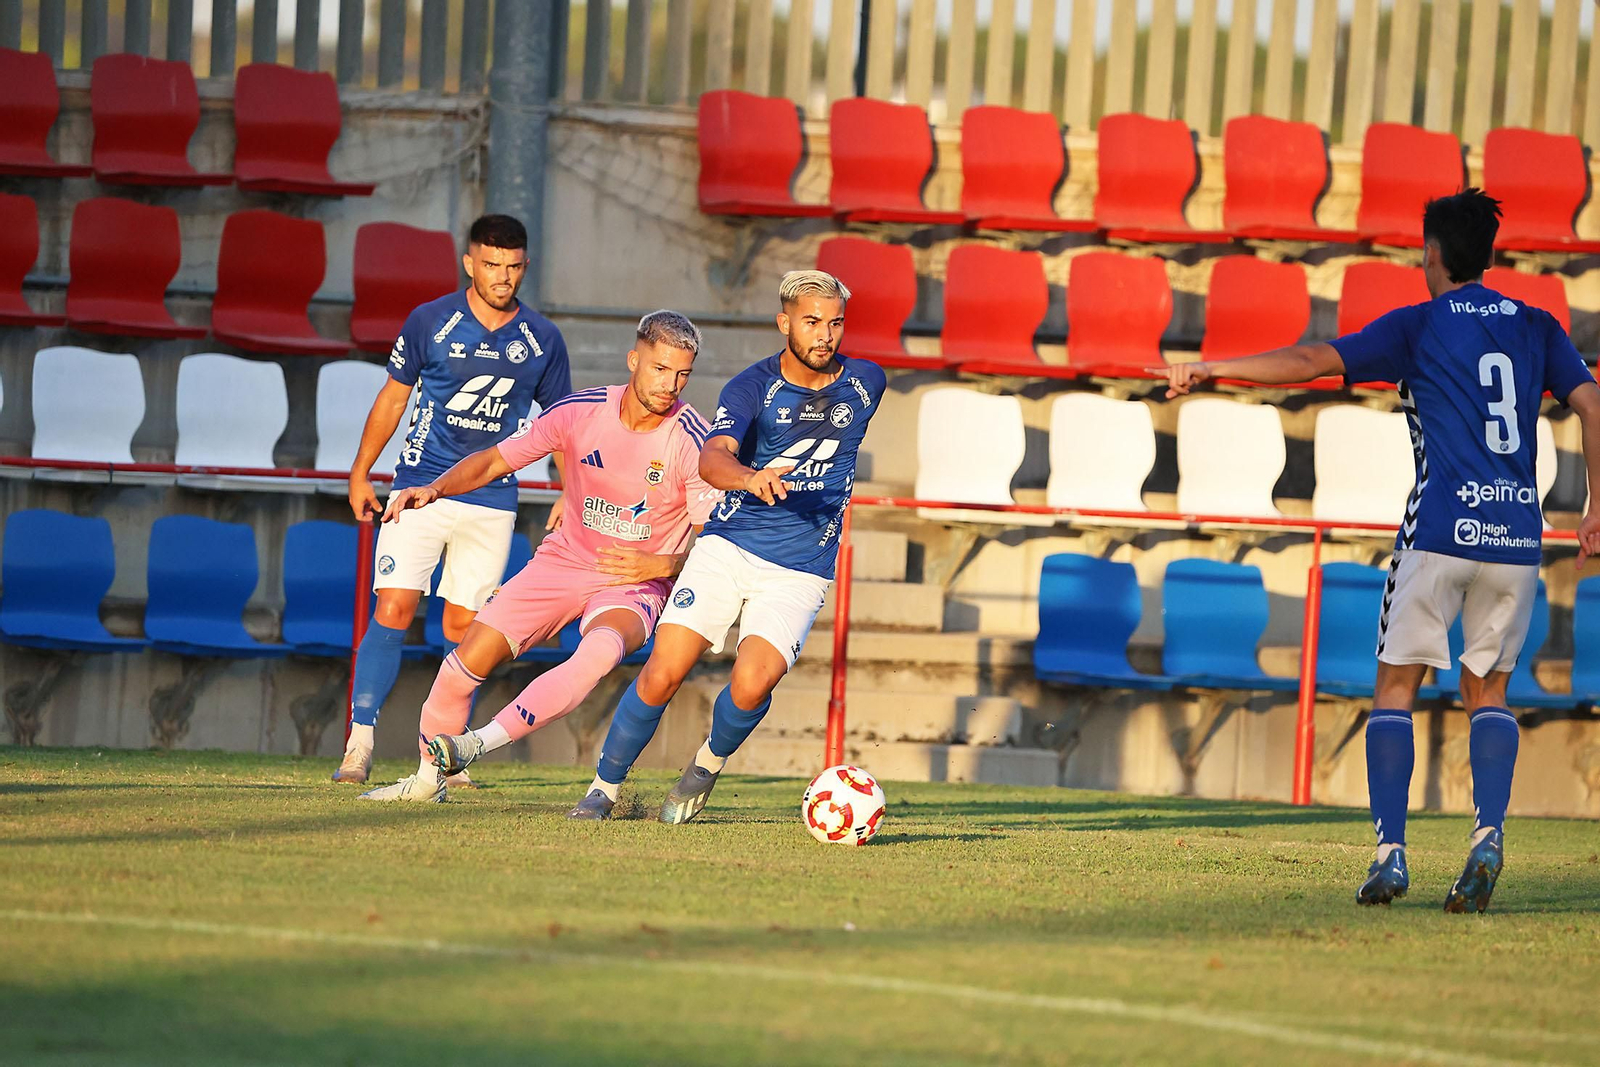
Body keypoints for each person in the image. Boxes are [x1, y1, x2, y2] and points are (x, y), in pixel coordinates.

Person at [1155, 189, 1600, 912]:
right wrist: (1596, 507)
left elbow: (1308, 359)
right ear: (1486, 256)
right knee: (1489, 692)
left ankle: (1391, 854)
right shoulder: (1537, 325)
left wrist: (1212, 369)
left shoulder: (1418, 326)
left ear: (1431, 255)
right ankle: (1487, 836)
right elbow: (1591, 404)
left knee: (1396, 687)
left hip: (1438, 533)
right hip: (1517, 538)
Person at [357, 311, 717, 802]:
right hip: (563, 562)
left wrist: (664, 566)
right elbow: (496, 459)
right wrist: (435, 489)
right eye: (660, 369)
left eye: (682, 374)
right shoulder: (579, 411)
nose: (670, 384)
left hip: (634, 583)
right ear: (634, 360)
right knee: (463, 662)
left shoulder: (694, 441)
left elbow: (714, 540)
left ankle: (475, 744)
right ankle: (425, 783)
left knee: (594, 658)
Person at [567, 269, 886, 824]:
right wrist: (748, 478)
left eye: (835, 323)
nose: (825, 335)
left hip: (803, 563)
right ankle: (603, 789)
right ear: (784, 322)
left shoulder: (867, 382)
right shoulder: (750, 386)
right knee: (665, 670)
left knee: (754, 680)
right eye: (812, 322)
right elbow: (713, 458)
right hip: (729, 545)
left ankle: (706, 766)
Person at [333, 214, 572, 784]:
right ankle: (359, 742)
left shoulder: (543, 339)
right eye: (491, 265)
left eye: (513, 267)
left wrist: (570, 490)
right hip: (419, 489)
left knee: (465, 627)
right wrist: (361, 472)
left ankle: (440, 751)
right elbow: (392, 400)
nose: (502, 277)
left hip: (492, 500)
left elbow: (564, 423)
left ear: (525, 267)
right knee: (392, 608)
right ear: (470, 263)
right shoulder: (429, 321)